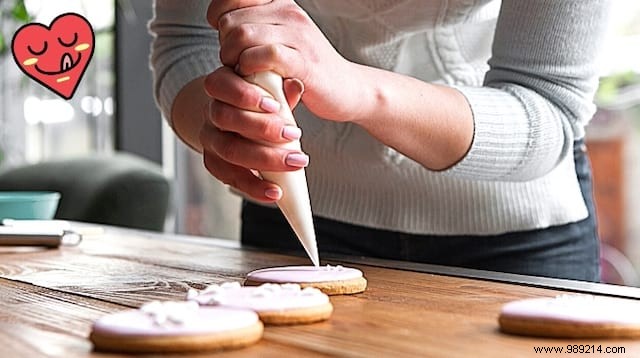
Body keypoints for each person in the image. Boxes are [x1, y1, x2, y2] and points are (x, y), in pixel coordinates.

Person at [149, 0, 611, 281]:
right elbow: (187, 43)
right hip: (292, 217)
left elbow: (547, 108)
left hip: (516, 238)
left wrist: (357, 90)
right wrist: (218, 122)